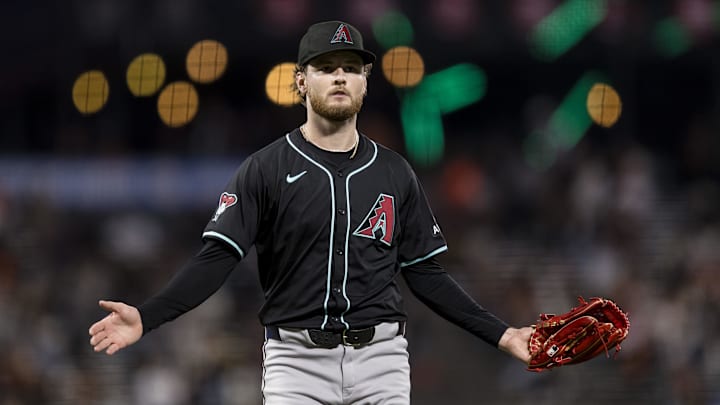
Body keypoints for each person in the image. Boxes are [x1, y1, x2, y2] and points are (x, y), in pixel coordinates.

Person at [89, 20, 533, 404]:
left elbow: (426, 274)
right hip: (296, 363)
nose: (340, 77)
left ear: (366, 80)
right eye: (325, 67)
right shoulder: (265, 169)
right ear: (301, 80)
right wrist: (149, 316)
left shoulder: (395, 173)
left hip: (382, 360)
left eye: (351, 68)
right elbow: (216, 259)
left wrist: (504, 334)